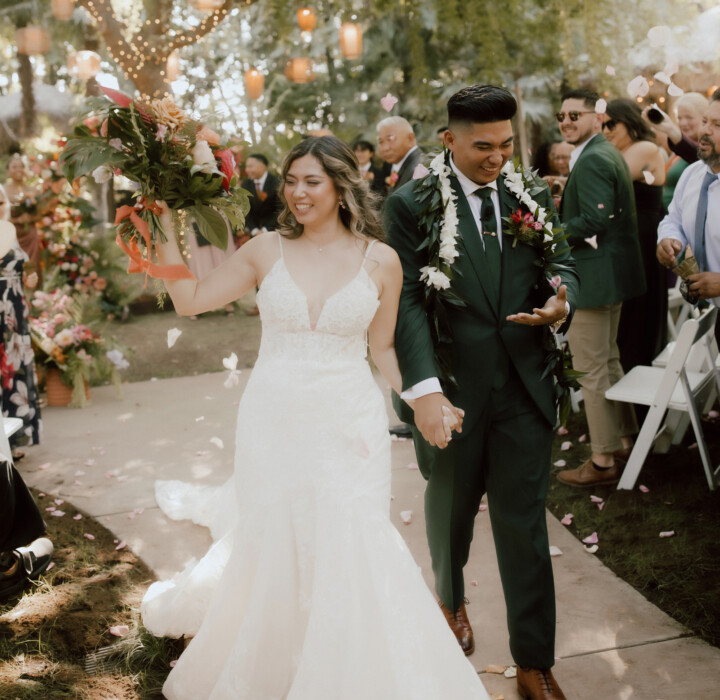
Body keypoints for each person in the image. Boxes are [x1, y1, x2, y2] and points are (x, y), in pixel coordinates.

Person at [140, 135, 488, 699]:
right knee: (277, 531)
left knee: (352, 530)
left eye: (312, 181)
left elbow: (384, 351)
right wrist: (162, 231)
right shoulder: (263, 249)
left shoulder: (382, 260)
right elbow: (191, 300)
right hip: (274, 416)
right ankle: (276, 662)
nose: (298, 193)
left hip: (347, 418)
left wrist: (426, 396)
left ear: (341, 187)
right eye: (292, 180)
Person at [385, 84, 579, 700]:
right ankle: (450, 599)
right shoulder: (412, 202)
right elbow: (408, 301)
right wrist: (424, 393)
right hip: (452, 392)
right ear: (449, 139)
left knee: (523, 528)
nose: (496, 158)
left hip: (525, 387)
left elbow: (562, 261)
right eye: (481, 146)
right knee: (450, 516)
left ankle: (533, 661)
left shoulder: (529, 193)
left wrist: (560, 299)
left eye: (504, 145)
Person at [555, 88, 645, 488]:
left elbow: (594, 220)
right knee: (608, 361)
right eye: (562, 116)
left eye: (575, 115)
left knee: (590, 369)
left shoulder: (593, 158)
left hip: (594, 277)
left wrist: (548, 232)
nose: (566, 122)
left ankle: (603, 460)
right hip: (611, 273)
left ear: (596, 117)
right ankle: (624, 440)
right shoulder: (605, 152)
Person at [602, 98, 668, 371]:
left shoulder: (644, 148)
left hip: (643, 240)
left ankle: (640, 389)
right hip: (628, 240)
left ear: (629, 121)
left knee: (639, 315)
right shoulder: (618, 151)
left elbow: (608, 179)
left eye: (611, 123)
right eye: (602, 125)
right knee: (627, 314)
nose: (605, 130)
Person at [657, 88, 720, 345]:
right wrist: (669, 239)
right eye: (705, 121)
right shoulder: (693, 174)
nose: (705, 131)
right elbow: (673, 219)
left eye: (717, 125)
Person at [0, 184, 41, 458]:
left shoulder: (8, 231)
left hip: (16, 304)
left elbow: (17, 267)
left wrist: (27, 280)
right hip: (1, 307)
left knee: (16, 369)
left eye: (1, 202)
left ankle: (14, 439)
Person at [642, 93, 709, 210]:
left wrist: (671, 130)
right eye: (679, 118)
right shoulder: (675, 147)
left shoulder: (709, 151)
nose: (683, 123)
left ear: (705, 119)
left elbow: (697, 155)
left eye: (689, 117)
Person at [4, 154, 42, 280]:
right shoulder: (3, 191)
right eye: (14, 167)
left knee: (31, 265)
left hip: (29, 234)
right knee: (12, 264)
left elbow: (39, 215)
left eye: (21, 166)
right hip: (10, 235)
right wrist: (17, 220)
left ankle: (32, 294)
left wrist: (29, 218)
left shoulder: (33, 191)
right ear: (8, 170)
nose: (18, 169)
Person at [377, 117, 424, 194]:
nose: (385, 148)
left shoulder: (419, 169)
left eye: (390, 139)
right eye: (381, 142)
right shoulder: (396, 164)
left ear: (410, 138)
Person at [240, 153, 282, 236]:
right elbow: (244, 210)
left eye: (250, 166)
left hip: (275, 232)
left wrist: (265, 230)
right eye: (246, 167)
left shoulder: (277, 182)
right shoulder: (245, 184)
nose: (247, 170)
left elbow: (281, 209)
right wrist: (254, 231)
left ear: (262, 167)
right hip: (254, 234)